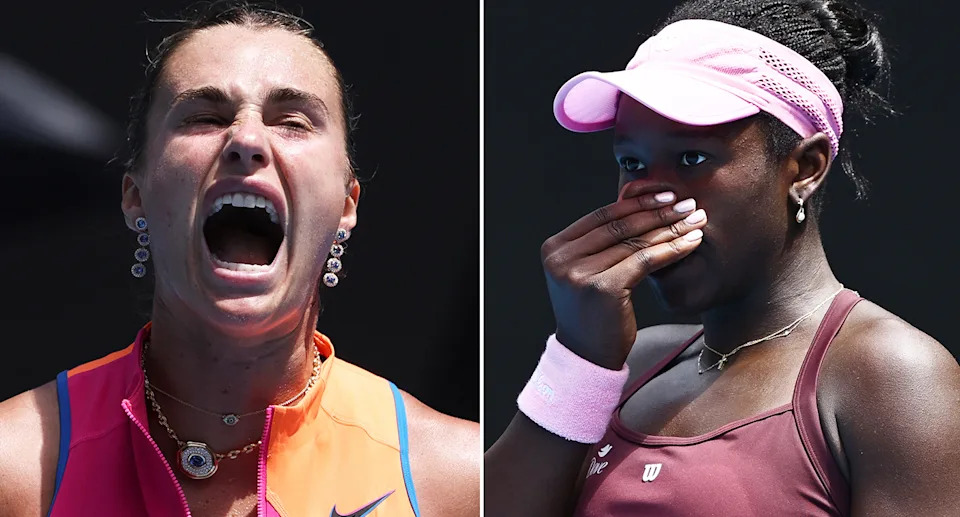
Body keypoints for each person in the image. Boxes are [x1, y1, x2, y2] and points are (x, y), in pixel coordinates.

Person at [0, 3, 479, 516]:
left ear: (345, 206)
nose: (246, 140)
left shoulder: (459, 480)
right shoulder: (15, 463)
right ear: (135, 196)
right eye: (205, 117)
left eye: (292, 121)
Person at [486, 0, 960, 515]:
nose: (648, 197)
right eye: (632, 162)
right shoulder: (633, 362)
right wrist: (579, 360)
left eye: (692, 158)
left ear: (804, 167)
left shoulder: (892, 373)